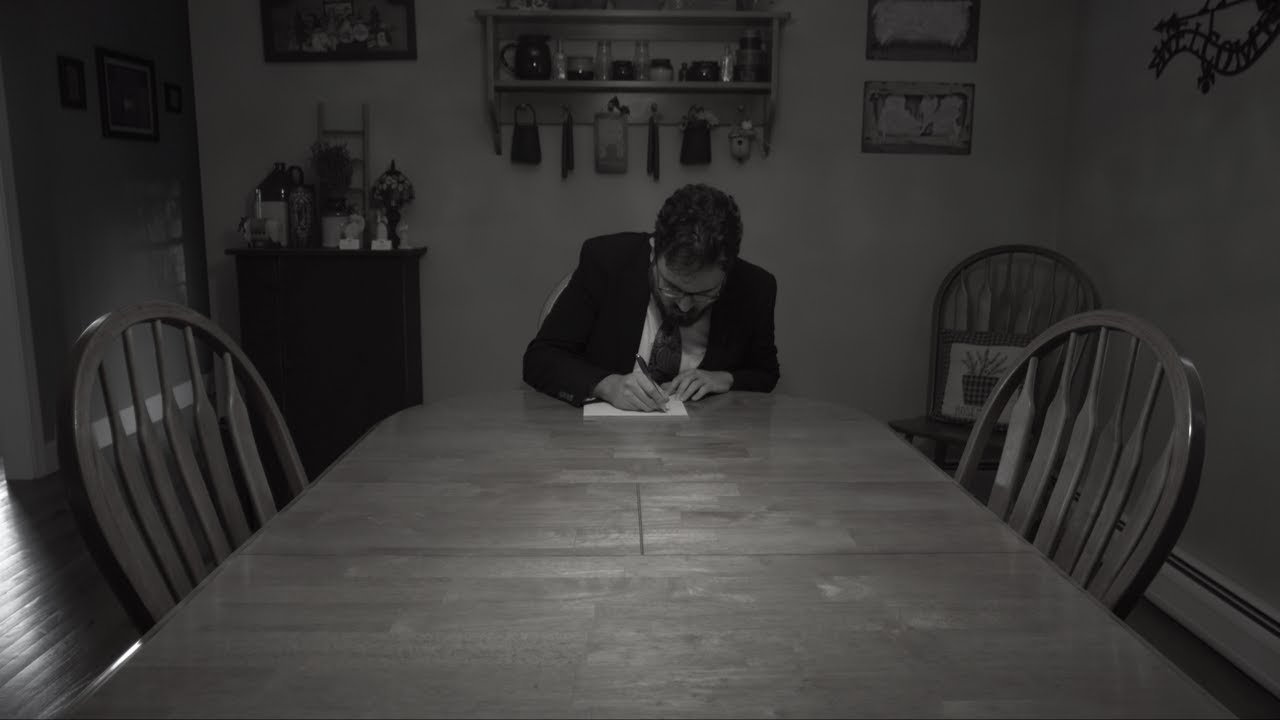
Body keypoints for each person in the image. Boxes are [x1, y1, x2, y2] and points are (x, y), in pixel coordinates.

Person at [523, 183, 779, 411]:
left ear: (727, 272)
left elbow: (765, 373)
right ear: (654, 249)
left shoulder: (755, 289)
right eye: (671, 287)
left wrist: (725, 378)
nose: (684, 305)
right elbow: (541, 358)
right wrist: (606, 385)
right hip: (602, 439)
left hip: (707, 441)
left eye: (704, 294)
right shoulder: (606, 262)